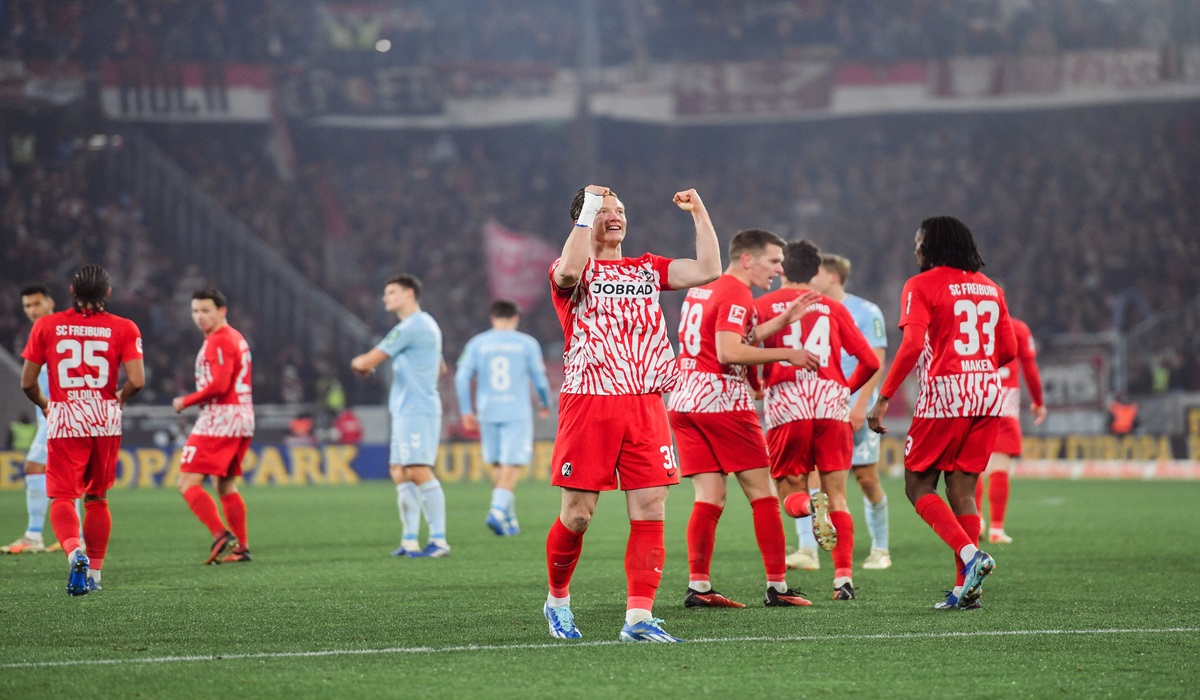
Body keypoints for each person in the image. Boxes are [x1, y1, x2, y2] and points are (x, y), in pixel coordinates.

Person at [543, 184, 721, 644]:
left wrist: (699, 212)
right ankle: (557, 600)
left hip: (644, 402)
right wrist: (588, 207)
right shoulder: (573, 273)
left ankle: (638, 619)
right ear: (583, 220)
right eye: (605, 210)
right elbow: (567, 271)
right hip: (590, 400)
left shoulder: (646, 268)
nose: (615, 215)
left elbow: (708, 269)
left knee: (650, 507)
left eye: (620, 209)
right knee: (579, 515)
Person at [867, 216, 1017, 611]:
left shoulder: (920, 284)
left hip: (945, 394)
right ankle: (966, 590)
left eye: (918, 241)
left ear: (931, 246)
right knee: (962, 490)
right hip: (987, 393)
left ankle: (971, 558)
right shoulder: (991, 288)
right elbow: (1009, 350)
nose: (915, 248)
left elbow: (913, 344)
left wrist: (884, 396)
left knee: (917, 485)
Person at [668, 228, 820, 609]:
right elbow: (727, 350)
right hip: (721, 400)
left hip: (686, 398)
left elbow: (729, 337)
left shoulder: (706, 286)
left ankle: (699, 587)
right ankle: (778, 586)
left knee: (710, 496)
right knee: (763, 493)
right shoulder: (736, 291)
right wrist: (787, 352)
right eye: (773, 261)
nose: (778, 269)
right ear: (747, 259)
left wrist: (781, 320)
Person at [756, 240, 880, 601]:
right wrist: (845, 389)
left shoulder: (762, 306)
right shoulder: (834, 308)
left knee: (789, 492)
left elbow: (745, 349)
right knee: (838, 494)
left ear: (782, 270)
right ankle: (843, 580)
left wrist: (759, 384)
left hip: (788, 404)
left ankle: (810, 507)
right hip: (831, 404)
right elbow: (870, 362)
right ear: (815, 272)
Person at [20, 264, 144, 595]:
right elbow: (137, 380)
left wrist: (46, 404)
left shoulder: (47, 326)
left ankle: (76, 551)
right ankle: (97, 574)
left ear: (72, 293)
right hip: (105, 416)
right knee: (97, 498)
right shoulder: (124, 327)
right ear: (107, 293)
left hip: (66, 414)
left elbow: (27, 383)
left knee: (63, 495)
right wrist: (120, 397)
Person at [351, 274, 448, 558]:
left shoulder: (412, 326)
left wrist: (359, 364)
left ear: (408, 293)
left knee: (418, 469)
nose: (386, 298)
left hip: (417, 408)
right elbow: (441, 368)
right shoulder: (427, 325)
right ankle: (409, 541)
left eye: (391, 292)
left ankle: (439, 541)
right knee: (399, 470)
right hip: (408, 408)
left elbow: (366, 360)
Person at [806, 253, 892, 571]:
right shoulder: (809, 308)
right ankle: (808, 549)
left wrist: (860, 405)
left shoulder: (866, 311)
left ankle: (880, 549)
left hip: (854, 406)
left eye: (816, 273)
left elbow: (876, 360)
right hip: (821, 408)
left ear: (832, 276)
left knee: (866, 478)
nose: (810, 278)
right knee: (812, 479)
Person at [171, 289, 255, 565]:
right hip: (242, 417)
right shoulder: (235, 337)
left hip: (221, 418)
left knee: (186, 482)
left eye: (206, 310)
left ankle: (220, 535)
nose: (199, 317)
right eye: (195, 311)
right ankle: (241, 548)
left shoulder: (220, 340)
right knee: (225, 484)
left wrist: (186, 400)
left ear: (222, 311)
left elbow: (219, 385)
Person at [455, 300, 552, 537]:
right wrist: (544, 403)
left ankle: (509, 519)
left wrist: (466, 410)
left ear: (492, 318)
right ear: (516, 317)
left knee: (497, 464)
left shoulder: (477, 343)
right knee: (512, 464)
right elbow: (539, 380)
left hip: (487, 411)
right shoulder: (527, 344)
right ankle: (497, 511)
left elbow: (461, 377)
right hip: (515, 411)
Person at [976, 314, 1046, 544]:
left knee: (972, 466)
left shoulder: (967, 324)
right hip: (1004, 401)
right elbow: (1029, 367)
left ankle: (976, 520)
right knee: (999, 466)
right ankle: (996, 529)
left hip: (972, 398)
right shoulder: (1017, 328)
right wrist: (1038, 401)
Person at [3, 285, 60, 555]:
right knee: (62, 476)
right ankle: (75, 536)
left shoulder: (51, 331)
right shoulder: (46, 331)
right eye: (27, 306)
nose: (31, 310)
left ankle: (34, 534)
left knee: (34, 468)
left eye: (36, 304)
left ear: (51, 303)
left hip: (56, 413)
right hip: (48, 415)